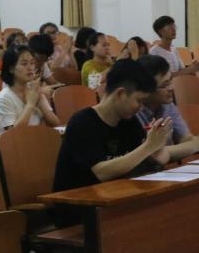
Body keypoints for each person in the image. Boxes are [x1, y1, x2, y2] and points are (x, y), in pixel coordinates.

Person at [53, 59, 173, 195]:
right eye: (139, 100)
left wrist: (157, 150)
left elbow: (139, 162)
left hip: (116, 194)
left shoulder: (129, 122)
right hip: (80, 200)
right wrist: (148, 147)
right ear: (120, 94)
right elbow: (101, 173)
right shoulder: (83, 122)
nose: (140, 108)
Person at [136, 55, 199, 159]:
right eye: (165, 85)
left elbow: (184, 138)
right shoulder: (133, 112)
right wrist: (197, 144)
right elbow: (147, 154)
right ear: (146, 89)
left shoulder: (168, 105)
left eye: (171, 81)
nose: (172, 88)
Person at [0, 45, 60, 130]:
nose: (30, 68)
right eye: (24, 64)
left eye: (32, 63)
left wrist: (41, 103)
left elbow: (55, 124)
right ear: (11, 69)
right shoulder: (3, 97)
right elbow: (12, 133)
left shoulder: (34, 91)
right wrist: (30, 104)